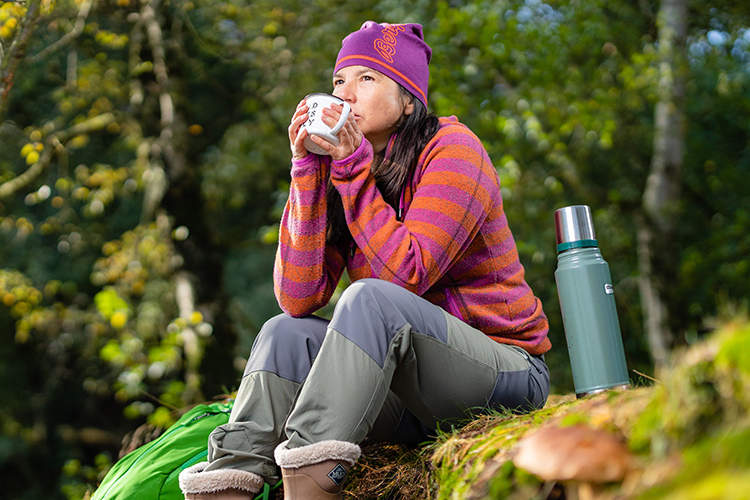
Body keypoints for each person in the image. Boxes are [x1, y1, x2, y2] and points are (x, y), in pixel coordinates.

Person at [179, 21, 551, 500]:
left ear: (408, 100)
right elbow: (297, 297)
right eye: (339, 80)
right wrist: (307, 170)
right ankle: (228, 485)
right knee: (284, 333)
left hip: (504, 375)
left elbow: (406, 275)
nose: (345, 93)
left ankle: (309, 486)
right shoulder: (346, 169)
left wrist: (352, 172)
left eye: (367, 78)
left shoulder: (455, 151)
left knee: (369, 299)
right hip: (409, 395)